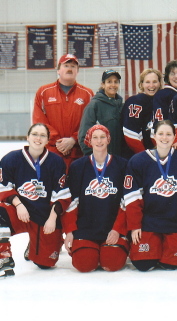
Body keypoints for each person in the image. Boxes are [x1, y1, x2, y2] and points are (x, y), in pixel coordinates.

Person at [0, 123, 71, 275]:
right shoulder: (11, 159)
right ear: (27, 137)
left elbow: (61, 194)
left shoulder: (56, 162)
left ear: (47, 140)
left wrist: (52, 218)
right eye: (35, 134)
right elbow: (3, 187)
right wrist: (18, 204)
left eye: (42, 135)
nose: (38, 138)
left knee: (45, 264)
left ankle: (37, 243)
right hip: (21, 212)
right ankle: (3, 258)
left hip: (44, 217)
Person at [124, 120, 177, 271]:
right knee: (143, 264)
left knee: (170, 263)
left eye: (169, 134)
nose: (164, 137)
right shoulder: (138, 161)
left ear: (175, 137)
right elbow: (132, 196)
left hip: (176, 221)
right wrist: (135, 226)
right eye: (161, 133)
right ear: (153, 136)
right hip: (150, 221)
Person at [63, 125, 129, 272]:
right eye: (95, 137)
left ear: (108, 139)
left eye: (102, 137)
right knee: (84, 265)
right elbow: (71, 201)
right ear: (89, 141)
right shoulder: (78, 166)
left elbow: (127, 200)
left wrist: (117, 229)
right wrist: (70, 231)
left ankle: (107, 249)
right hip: (86, 227)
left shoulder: (122, 165)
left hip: (111, 227)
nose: (99, 141)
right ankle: (92, 249)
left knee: (112, 264)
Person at [33, 54, 94, 169]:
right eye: (66, 65)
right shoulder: (43, 92)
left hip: (78, 154)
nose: (70, 69)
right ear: (58, 70)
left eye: (73, 66)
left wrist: (73, 140)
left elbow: (90, 123)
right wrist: (58, 142)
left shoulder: (88, 94)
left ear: (77, 71)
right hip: (51, 153)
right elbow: (39, 121)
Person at [78, 70, 124, 156]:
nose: (113, 85)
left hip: (119, 160)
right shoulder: (94, 106)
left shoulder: (121, 106)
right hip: (101, 160)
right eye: (109, 82)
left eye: (116, 82)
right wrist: (95, 158)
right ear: (103, 84)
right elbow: (84, 136)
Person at [122, 69, 163, 155]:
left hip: (159, 154)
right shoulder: (135, 102)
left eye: (155, 82)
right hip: (137, 155)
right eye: (147, 82)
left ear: (159, 84)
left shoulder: (162, 101)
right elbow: (130, 134)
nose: (151, 85)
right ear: (141, 84)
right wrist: (144, 156)